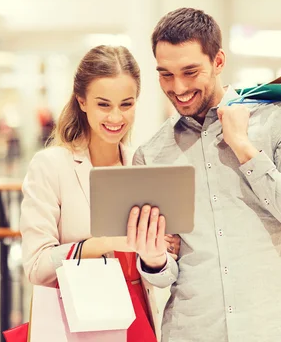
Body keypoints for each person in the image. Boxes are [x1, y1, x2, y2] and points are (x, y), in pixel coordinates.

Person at [132, 8, 281, 342]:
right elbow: (162, 277)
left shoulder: (278, 119)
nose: (178, 87)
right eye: (165, 74)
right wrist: (152, 260)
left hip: (272, 330)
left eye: (190, 71)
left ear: (218, 61)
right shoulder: (152, 154)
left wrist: (245, 150)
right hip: (192, 332)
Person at [19, 45, 180, 341]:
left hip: (139, 319)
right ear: (82, 101)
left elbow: (161, 271)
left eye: (127, 104)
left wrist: (155, 253)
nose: (116, 117)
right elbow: (36, 266)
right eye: (103, 104)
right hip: (80, 323)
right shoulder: (52, 166)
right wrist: (105, 242)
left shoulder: (141, 164)